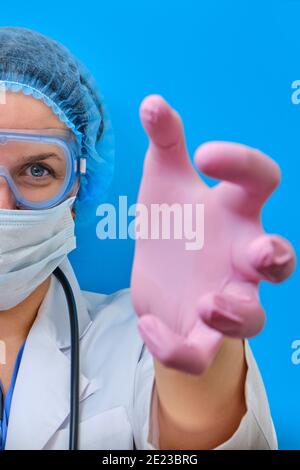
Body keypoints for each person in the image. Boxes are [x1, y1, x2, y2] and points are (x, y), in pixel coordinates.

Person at [0, 26, 295, 450]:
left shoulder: (137, 340)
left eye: (39, 170)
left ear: (76, 192)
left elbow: (196, 442)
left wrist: (202, 371)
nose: (4, 205)